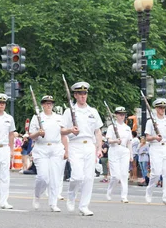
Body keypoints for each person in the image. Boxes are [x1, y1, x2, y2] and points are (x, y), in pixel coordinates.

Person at [62, 81, 103, 216]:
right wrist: (70, 130)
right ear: (75, 95)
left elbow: (97, 132)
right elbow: (62, 131)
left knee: (88, 178)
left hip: (89, 145)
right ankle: (71, 195)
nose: (83, 96)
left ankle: (84, 206)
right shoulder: (70, 111)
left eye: (84, 93)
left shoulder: (93, 111)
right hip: (75, 145)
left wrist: (99, 148)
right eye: (80, 94)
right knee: (77, 176)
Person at [29, 95, 69, 212]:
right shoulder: (37, 117)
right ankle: (37, 195)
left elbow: (63, 134)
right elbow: (31, 135)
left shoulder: (59, 118)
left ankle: (53, 203)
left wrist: (66, 150)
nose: (48, 105)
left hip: (56, 147)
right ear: (42, 105)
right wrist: (38, 133)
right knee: (43, 177)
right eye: (46, 103)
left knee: (55, 177)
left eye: (50, 103)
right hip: (42, 148)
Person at [144, 98, 166, 205]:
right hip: (155, 147)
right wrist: (154, 137)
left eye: (163, 107)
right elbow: (147, 137)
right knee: (156, 173)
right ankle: (149, 191)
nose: (162, 109)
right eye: (160, 107)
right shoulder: (151, 121)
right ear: (156, 108)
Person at [105, 106, 133, 203]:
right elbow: (108, 140)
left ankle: (124, 196)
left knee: (124, 174)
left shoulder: (127, 128)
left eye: (123, 114)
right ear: (116, 115)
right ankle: (109, 191)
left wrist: (131, 155)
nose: (122, 116)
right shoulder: (111, 127)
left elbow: (129, 142)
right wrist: (115, 140)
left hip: (124, 150)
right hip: (114, 149)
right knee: (116, 176)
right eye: (120, 114)